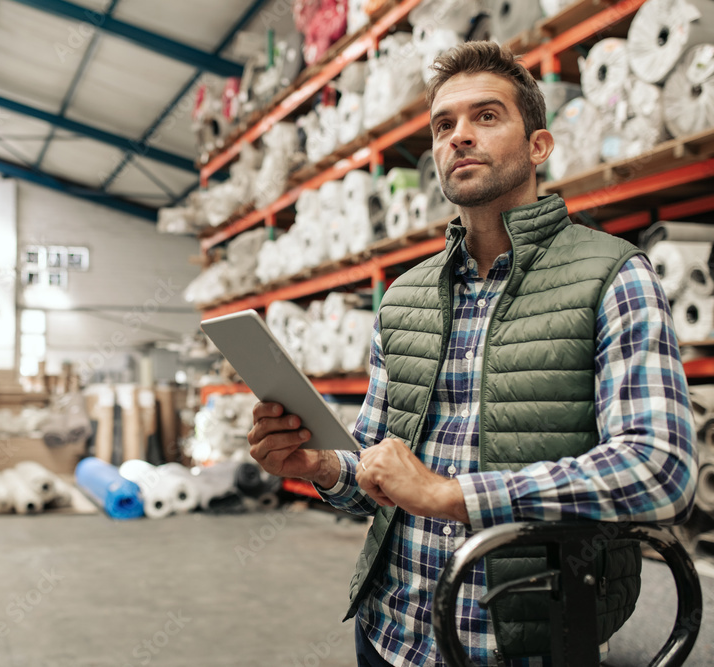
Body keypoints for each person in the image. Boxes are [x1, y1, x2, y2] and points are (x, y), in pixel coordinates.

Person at [247, 41, 698, 667]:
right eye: (443, 124)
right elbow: (377, 472)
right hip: (389, 635)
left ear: (538, 146)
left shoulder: (615, 276)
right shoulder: (403, 299)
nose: (459, 136)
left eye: (486, 117)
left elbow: (659, 469)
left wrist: (454, 495)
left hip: (523, 643)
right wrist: (318, 464)